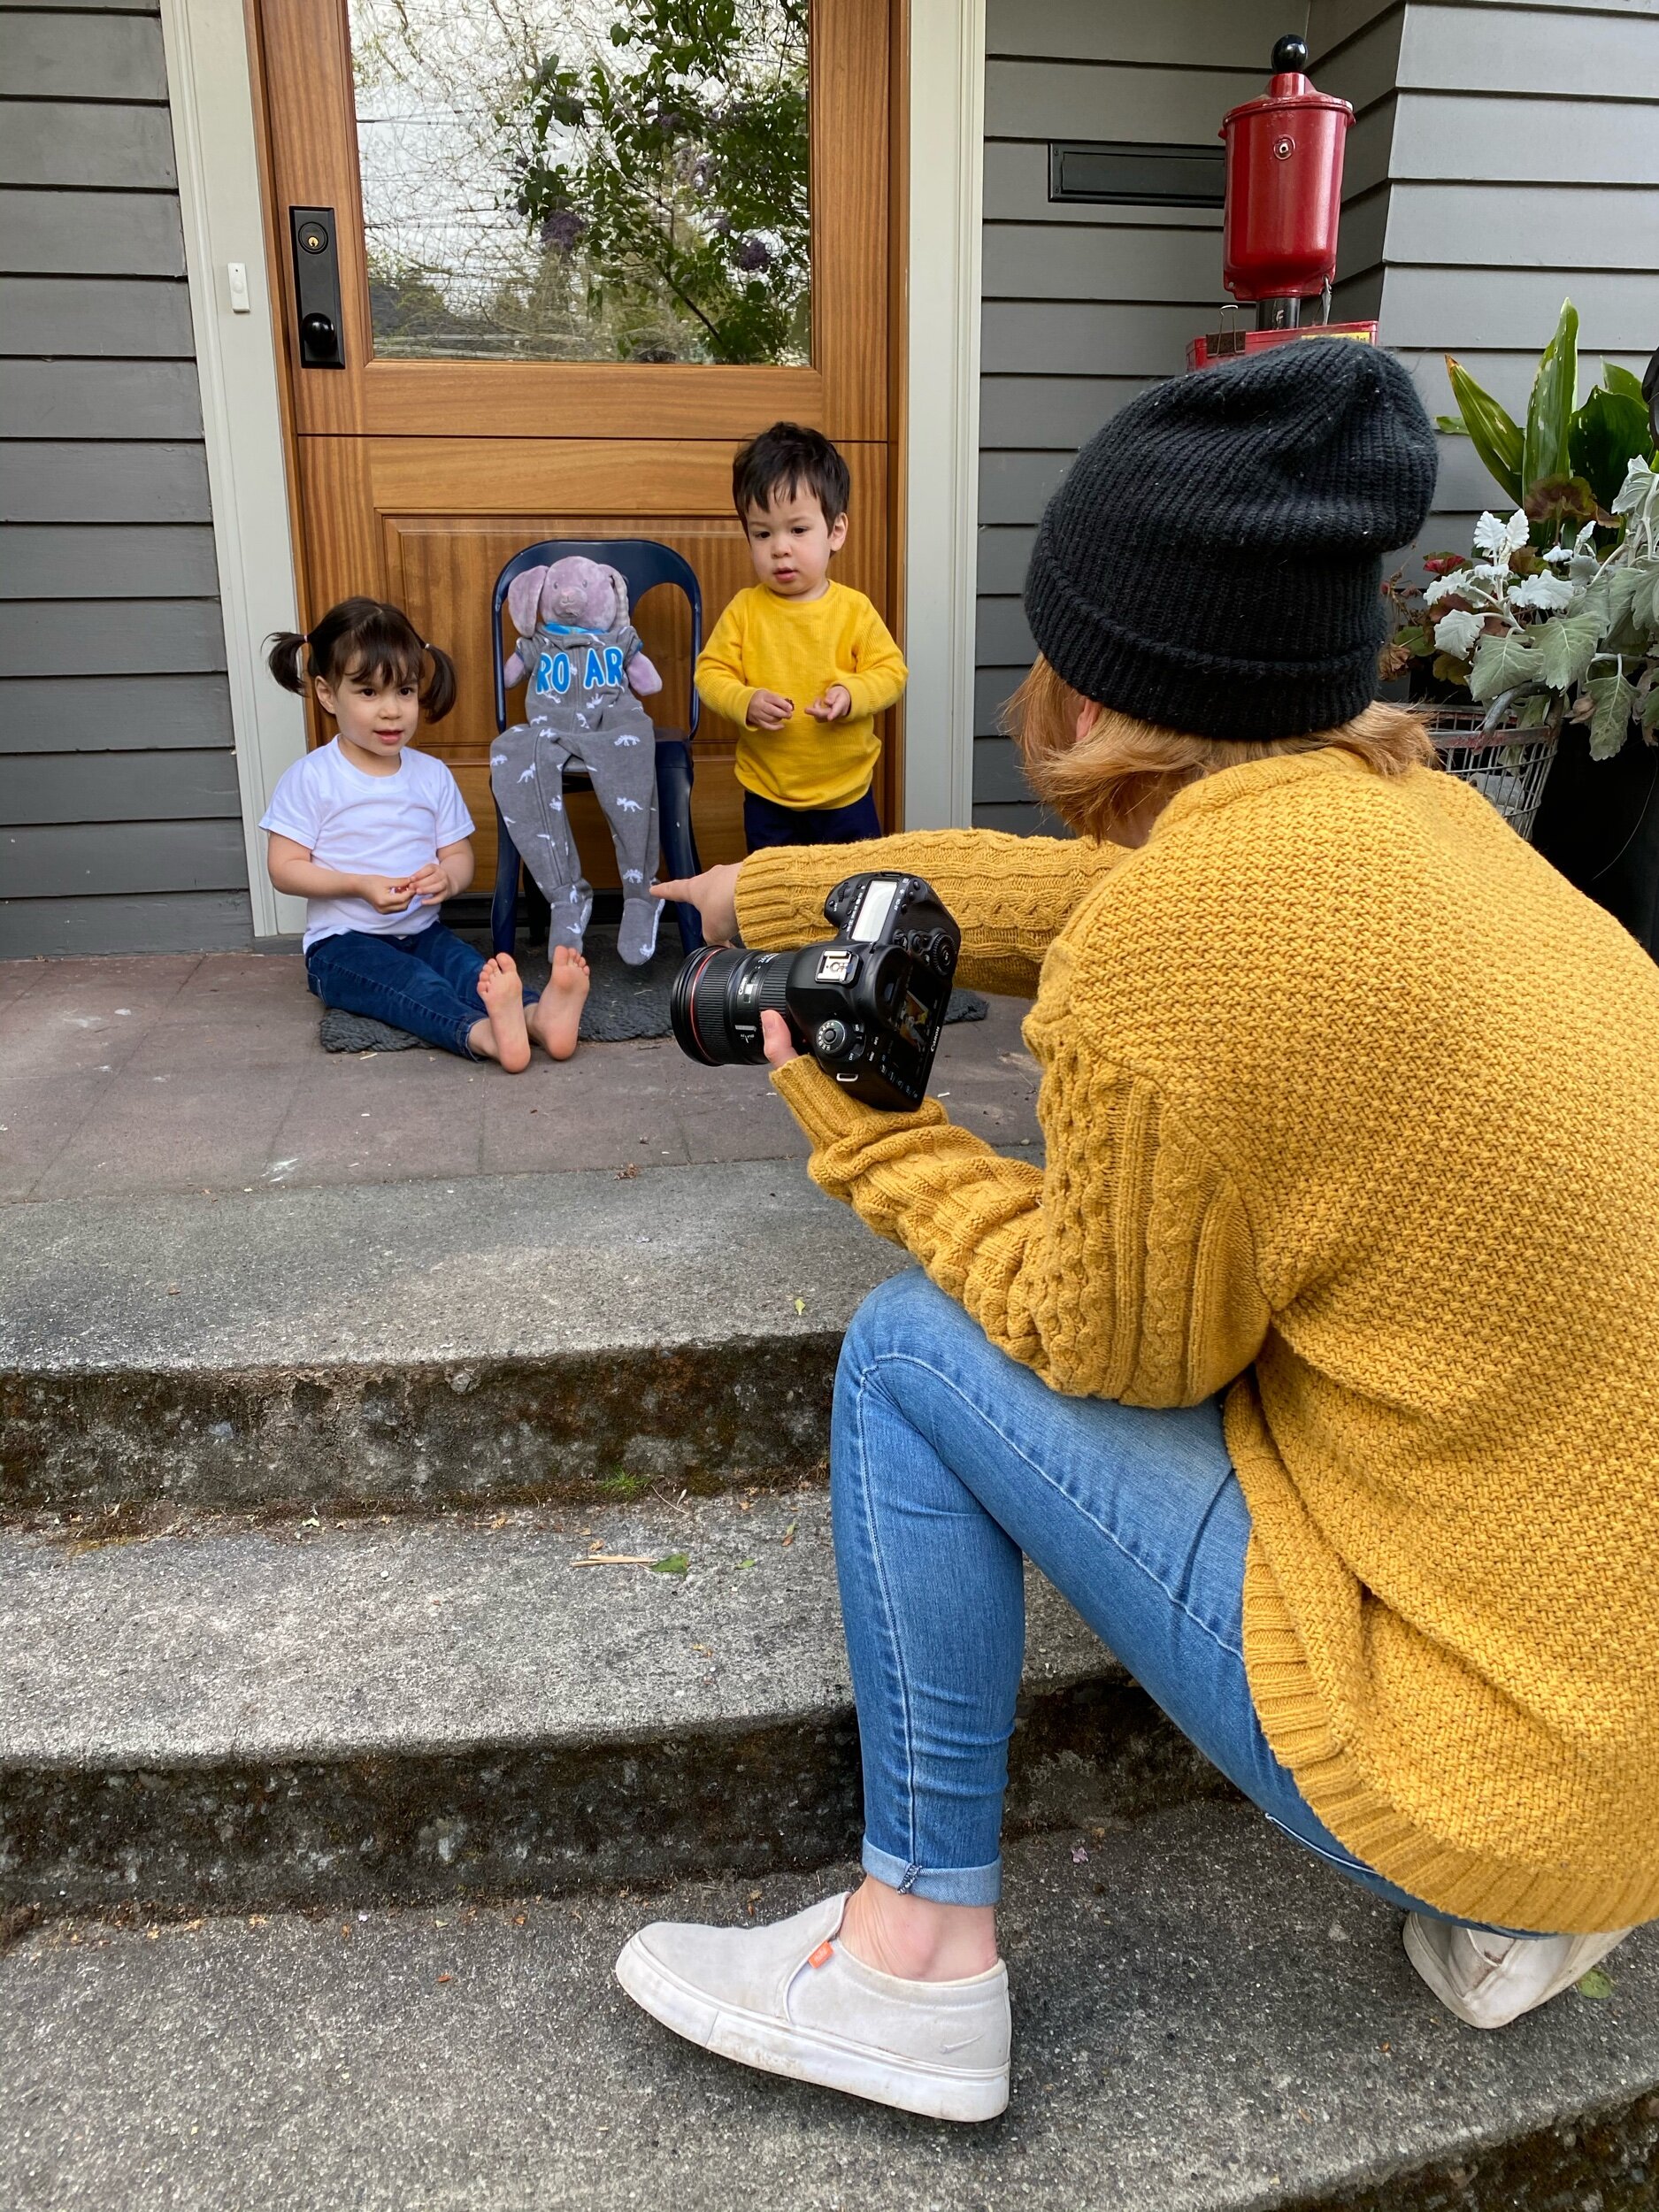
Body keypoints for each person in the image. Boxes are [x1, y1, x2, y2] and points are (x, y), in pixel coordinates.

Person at [627, 343, 1659, 2123]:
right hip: (1613, 1746)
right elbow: (1109, 892)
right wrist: (780, 889)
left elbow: (1102, 1340)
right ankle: (1529, 1905)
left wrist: (854, 1113)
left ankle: (910, 1957)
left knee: (906, 1350)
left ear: (1096, 682)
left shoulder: (1178, 950)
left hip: (1483, 1761)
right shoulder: (1450, 830)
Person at [263, 596, 588, 1067]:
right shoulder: (312, 777)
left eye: (405, 692)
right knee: (414, 987)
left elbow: (458, 857)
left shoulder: (431, 775)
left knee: (472, 971)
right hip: (344, 943)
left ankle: (540, 1017)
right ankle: (484, 1036)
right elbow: (284, 869)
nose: (392, 711)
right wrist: (357, 884)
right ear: (328, 694)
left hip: (422, 930)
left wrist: (447, 879)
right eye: (369, 693)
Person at [695, 420, 908, 852]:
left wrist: (852, 693)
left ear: (835, 532)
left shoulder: (853, 610)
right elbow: (710, 674)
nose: (780, 548)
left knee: (853, 893)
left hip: (846, 796)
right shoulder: (745, 611)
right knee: (773, 897)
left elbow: (891, 672)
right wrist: (745, 701)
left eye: (797, 530)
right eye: (762, 533)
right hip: (768, 796)